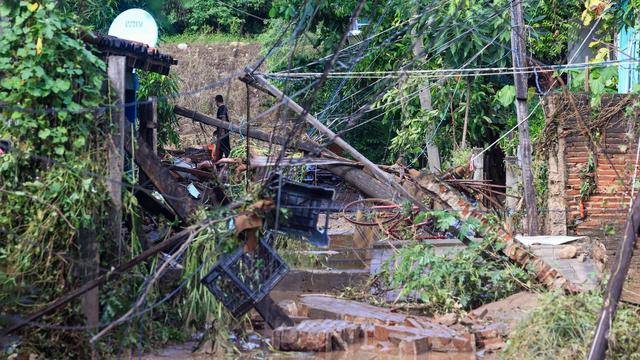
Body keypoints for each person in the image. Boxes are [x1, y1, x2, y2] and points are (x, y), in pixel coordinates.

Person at [214, 94, 231, 160]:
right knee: (220, 148)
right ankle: (218, 163)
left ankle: (229, 162)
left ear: (217, 101)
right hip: (223, 131)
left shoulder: (222, 108)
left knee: (225, 148)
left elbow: (223, 119)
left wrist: (222, 132)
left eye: (215, 101)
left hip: (223, 132)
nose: (215, 103)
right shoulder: (224, 108)